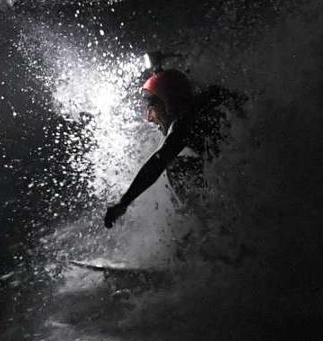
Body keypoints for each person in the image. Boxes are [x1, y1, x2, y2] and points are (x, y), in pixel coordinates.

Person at [103, 68, 246, 228]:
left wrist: (123, 202)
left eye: (152, 107)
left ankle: (202, 228)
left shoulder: (184, 123)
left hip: (246, 180)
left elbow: (158, 162)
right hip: (252, 165)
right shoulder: (212, 98)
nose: (149, 118)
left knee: (176, 168)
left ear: (168, 101)